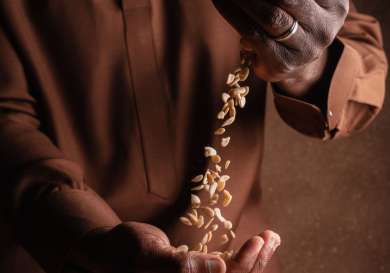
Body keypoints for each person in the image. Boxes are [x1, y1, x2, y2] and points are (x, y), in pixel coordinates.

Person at [0, 0, 387, 273]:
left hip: (239, 256)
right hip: (52, 254)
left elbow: (359, 54)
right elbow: (9, 127)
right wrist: (89, 241)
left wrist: (308, 62)